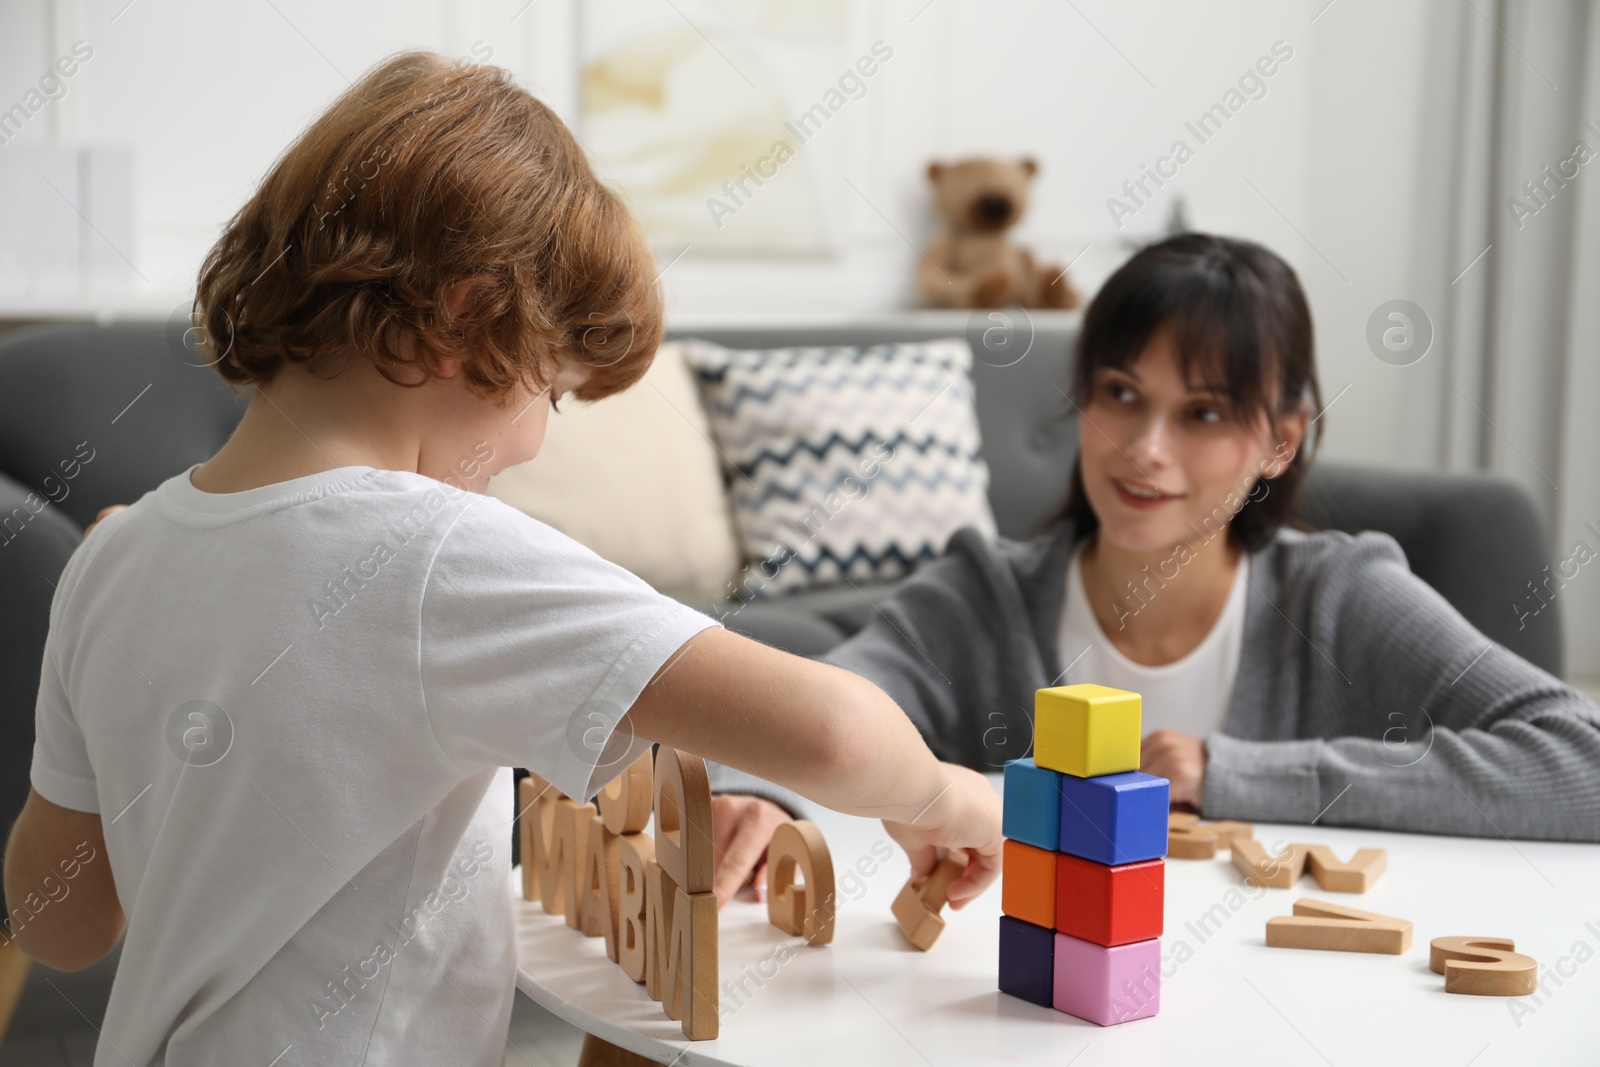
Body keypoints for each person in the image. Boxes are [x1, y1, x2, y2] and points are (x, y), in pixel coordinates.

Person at [1, 52, 1001, 1067]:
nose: (534, 442)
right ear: (462, 319)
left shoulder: (111, 557)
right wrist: (948, 796)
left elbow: (61, 924)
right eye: (553, 393)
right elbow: (831, 730)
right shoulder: (435, 553)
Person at [707, 232, 1600, 899]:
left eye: (1204, 414)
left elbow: (1581, 766)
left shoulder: (1339, 598)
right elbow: (820, 710)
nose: (1145, 450)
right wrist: (758, 800)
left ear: (1280, 441)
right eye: (1121, 396)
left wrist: (1232, 775)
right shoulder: (983, 596)